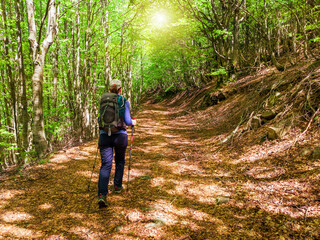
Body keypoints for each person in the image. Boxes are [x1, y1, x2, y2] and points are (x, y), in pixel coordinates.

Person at [98, 79, 136, 208]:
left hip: (104, 135)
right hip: (120, 136)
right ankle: (117, 186)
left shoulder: (103, 101)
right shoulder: (124, 101)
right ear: (120, 89)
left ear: (109, 89)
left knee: (106, 165)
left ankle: (102, 195)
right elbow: (127, 120)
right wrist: (133, 122)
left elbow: (99, 119)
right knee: (120, 161)